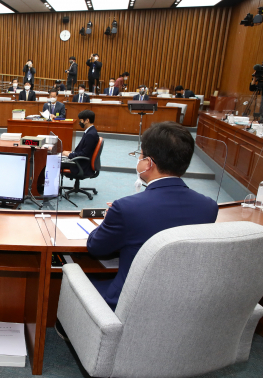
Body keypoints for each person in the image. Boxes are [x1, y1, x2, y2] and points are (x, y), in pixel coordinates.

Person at [86, 121, 218, 309]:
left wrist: (110, 218)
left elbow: (95, 247)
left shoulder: (125, 208)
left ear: (148, 163)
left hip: (128, 304)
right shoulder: (209, 207)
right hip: (182, 304)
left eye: (140, 155)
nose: (138, 160)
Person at [61, 109, 99, 176]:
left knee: (55, 163)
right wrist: (71, 152)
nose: (80, 122)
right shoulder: (90, 131)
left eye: (81, 120)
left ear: (87, 120)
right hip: (81, 161)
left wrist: (68, 155)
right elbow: (84, 150)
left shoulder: (90, 135)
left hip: (82, 165)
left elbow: (84, 154)